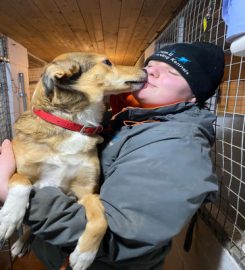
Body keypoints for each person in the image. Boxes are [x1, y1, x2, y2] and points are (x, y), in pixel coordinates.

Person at [0, 41, 225, 270]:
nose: (151, 71)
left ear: (193, 98)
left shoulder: (177, 148)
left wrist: (12, 194)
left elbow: (122, 237)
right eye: (153, 63)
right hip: (56, 253)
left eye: (173, 71)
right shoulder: (127, 121)